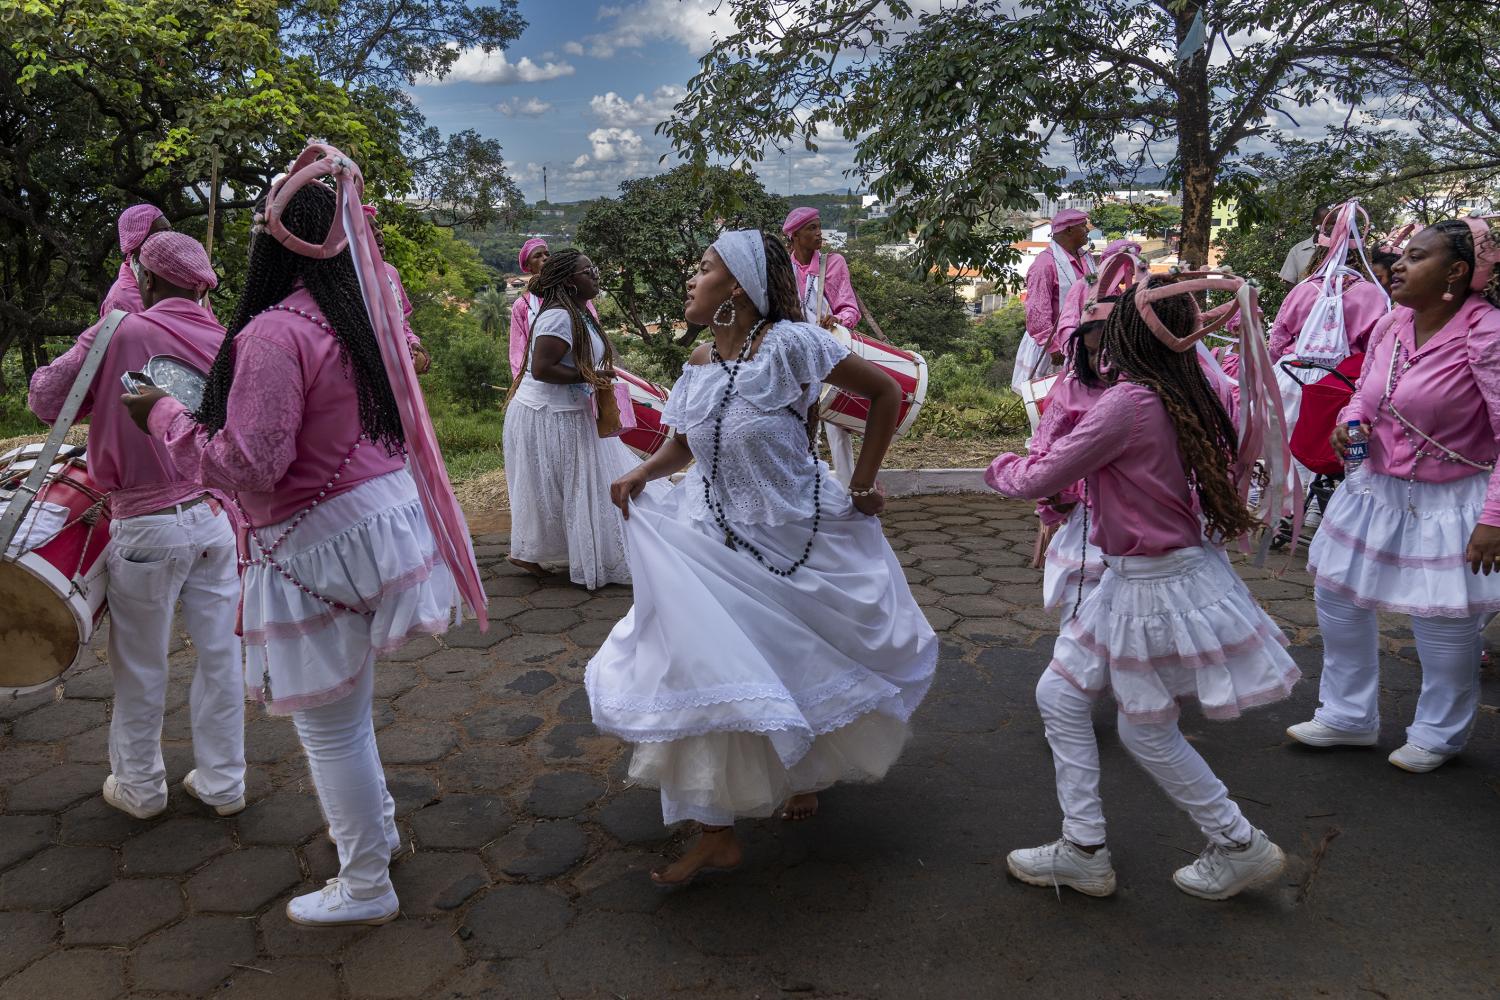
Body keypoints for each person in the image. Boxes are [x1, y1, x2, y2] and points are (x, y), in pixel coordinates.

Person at [123, 178, 469, 926]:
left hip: (315, 539)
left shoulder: (274, 332)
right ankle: (376, 834)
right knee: (351, 709)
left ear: (273, 241)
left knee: (331, 725)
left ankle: (367, 883)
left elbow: (251, 465)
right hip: (379, 518)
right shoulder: (360, 315)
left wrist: (164, 414)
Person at [587, 229, 937, 885]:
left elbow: (886, 394)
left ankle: (803, 773)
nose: (691, 279)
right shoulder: (699, 360)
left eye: (703, 267)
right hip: (708, 543)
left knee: (794, 665)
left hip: (793, 537)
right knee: (704, 673)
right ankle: (715, 832)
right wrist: (642, 472)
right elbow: (684, 443)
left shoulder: (792, 343)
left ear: (739, 288)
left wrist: (863, 483)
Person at [987, 278, 1298, 901]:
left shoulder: (1129, 402)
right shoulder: (1184, 388)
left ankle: (1235, 844)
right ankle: (1087, 847)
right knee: (1063, 696)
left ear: (1130, 334)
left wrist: (1000, 467)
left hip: (1152, 586)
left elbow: (1041, 476)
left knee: (1143, 730)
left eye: (1114, 322)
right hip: (1155, 577)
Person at [30, 232, 245, 821]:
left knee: (142, 665)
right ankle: (225, 784)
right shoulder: (227, 339)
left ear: (146, 280)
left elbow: (47, 400)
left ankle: (141, 788)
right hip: (216, 520)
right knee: (221, 657)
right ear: (201, 286)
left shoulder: (117, 331)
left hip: (146, 526)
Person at [1292, 217, 1500, 772]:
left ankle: (1438, 733)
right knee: (1338, 597)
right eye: (1403, 255)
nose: (1399, 265)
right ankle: (1347, 716)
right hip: (1374, 488)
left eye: (1417, 256)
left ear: (1456, 271)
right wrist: (1351, 421)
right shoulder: (1393, 322)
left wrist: (1494, 518)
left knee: (1443, 618)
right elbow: (1365, 392)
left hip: (1453, 501)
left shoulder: (1488, 333)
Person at [503, 249, 646, 588]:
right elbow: (542, 369)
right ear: (569, 281)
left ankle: (536, 550)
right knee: (565, 487)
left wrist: (596, 375)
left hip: (570, 410)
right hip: (547, 413)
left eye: (594, 268)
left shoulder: (579, 312)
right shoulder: (557, 317)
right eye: (588, 271)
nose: (595, 274)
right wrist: (590, 376)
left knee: (580, 485)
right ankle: (531, 551)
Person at [784, 207, 863, 485]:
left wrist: (838, 319)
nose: (819, 234)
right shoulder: (783, 269)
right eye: (812, 228)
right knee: (795, 421)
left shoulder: (833, 263)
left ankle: (850, 488)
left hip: (829, 351)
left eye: (819, 227)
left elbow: (850, 308)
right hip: (793, 353)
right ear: (794, 235)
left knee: (836, 421)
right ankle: (804, 485)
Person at [1013, 208, 1096, 403]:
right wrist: (1052, 346)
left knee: (1076, 400)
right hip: (1053, 345)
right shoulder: (1044, 264)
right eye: (1082, 226)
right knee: (1047, 400)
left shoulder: (1087, 258)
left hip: (1080, 340)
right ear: (1069, 230)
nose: (1087, 230)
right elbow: (1036, 312)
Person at [509, 238, 602, 380]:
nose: (545, 258)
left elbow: (593, 331)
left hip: (581, 373)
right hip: (540, 381)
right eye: (537, 256)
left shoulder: (574, 294)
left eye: (547, 254)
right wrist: (519, 380)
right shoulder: (522, 305)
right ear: (528, 266)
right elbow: (518, 349)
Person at [362, 205, 430, 374]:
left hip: (399, 370)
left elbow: (401, 322)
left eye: (377, 227)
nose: (379, 233)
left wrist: (413, 342)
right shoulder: (349, 280)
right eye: (369, 229)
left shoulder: (391, 273)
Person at [99, 205, 171, 317]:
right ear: (136, 241)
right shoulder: (120, 301)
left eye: (170, 230)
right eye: (161, 233)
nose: (171, 238)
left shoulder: (183, 279)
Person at [1279, 204, 1333, 285]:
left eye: (1333, 223)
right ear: (1313, 223)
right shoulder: (1297, 251)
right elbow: (1289, 284)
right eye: (1324, 223)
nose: (1329, 227)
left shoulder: (1343, 249)